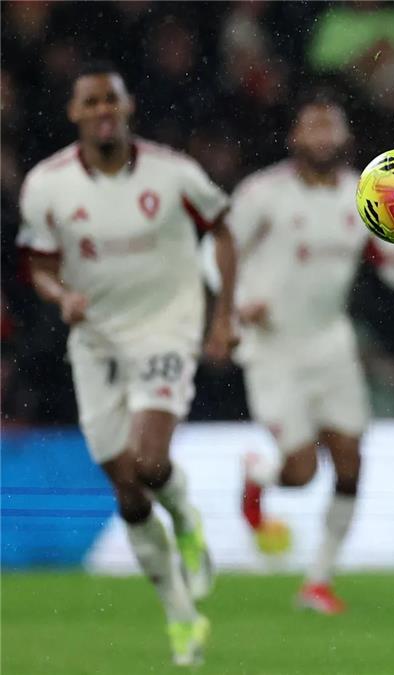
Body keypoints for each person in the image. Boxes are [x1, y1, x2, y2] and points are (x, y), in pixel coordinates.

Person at [16, 62, 237, 666]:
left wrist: (222, 318)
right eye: (91, 102)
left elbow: (223, 231)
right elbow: (37, 262)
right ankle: (180, 615)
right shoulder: (47, 184)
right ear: (74, 114)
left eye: (111, 99)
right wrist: (62, 296)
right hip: (95, 341)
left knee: (149, 458)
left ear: (128, 105)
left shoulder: (173, 172)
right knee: (129, 492)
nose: (103, 110)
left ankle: (187, 517)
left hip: (167, 327)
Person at [229, 92, 394, 614]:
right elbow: (217, 252)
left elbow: (388, 260)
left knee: (350, 460)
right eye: (312, 128)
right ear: (295, 138)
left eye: (330, 128)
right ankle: (258, 475)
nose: (322, 137)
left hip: (331, 342)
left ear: (344, 139)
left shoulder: (362, 196)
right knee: (300, 472)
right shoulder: (261, 193)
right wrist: (236, 305)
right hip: (272, 346)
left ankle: (317, 580)